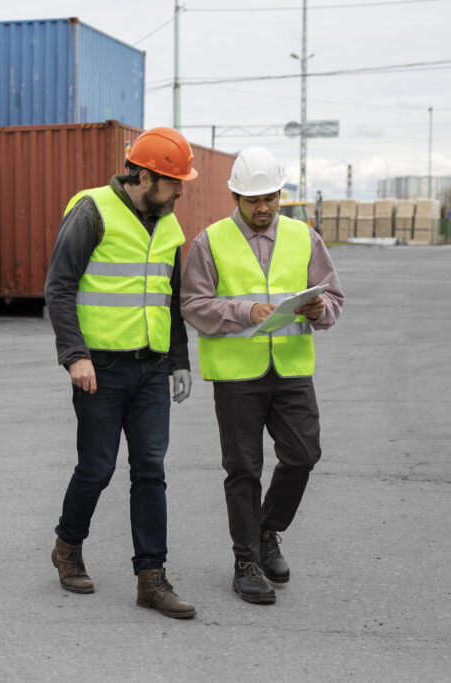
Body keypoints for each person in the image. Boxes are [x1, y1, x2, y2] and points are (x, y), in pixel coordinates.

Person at [180, 146, 344, 605]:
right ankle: (246, 561)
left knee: (302, 456)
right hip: (237, 377)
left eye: (270, 196)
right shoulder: (209, 242)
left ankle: (268, 529)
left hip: (290, 369)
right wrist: (244, 310)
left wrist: (319, 308)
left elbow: (334, 299)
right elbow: (193, 305)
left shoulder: (305, 238)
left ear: (280, 193)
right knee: (243, 470)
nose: (263, 207)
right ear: (235, 195)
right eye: (253, 199)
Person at [45, 127, 198, 619]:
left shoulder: (170, 225)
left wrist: (178, 359)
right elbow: (59, 287)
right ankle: (67, 546)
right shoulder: (92, 212)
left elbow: (169, 300)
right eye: (174, 182)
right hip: (101, 369)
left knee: (150, 469)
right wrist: (75, 354)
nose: (181, 190)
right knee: (97, 468)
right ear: (146, 176)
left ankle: (151, 577)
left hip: (152, 369)